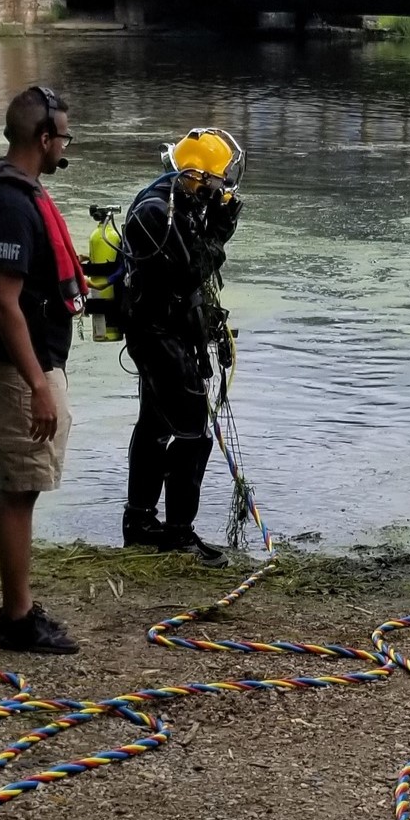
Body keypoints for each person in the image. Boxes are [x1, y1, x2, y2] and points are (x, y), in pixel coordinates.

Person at [0, 84, 84, 652]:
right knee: (19, 487)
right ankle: (15, 619)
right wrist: (37, 384)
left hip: (33, 364)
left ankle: (19, 607)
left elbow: (31, 283)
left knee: (26, 485)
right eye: (64, 136)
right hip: (18, 371)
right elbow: (2, 302)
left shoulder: (23, 192)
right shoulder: (10, 206)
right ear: (43, 138)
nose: (67, 146)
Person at [119, 128, 244, 564]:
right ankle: (178, 533)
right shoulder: (158, 211)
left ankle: (139, 522)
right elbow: (190, 271)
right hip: (157, 334)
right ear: (198, 177)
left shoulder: (180, 202)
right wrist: (220, 236)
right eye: (219, 181)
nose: (224, 189)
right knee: (192, 431)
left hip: (167, 330)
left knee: (155, 425)